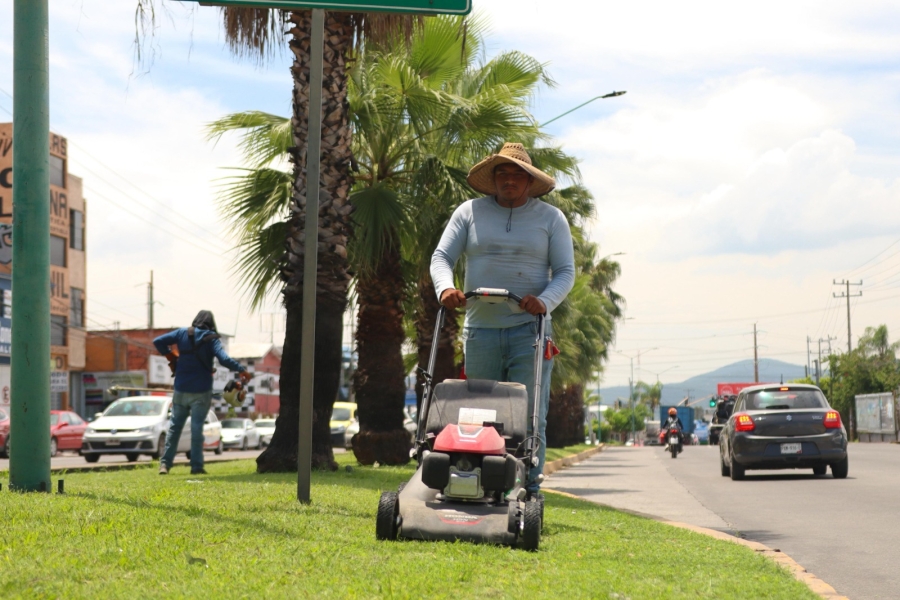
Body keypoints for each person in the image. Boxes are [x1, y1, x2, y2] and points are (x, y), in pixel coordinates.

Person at [430, 142, 575, 494]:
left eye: (517, 175)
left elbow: (565, 272)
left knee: (528, 413)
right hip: (481, 331)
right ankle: (480, 481)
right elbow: (441, 258)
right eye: (503, 173)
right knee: (480, 412)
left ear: (529, 181)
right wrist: (445, 289)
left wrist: (544, 301)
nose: (510, 180)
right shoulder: (469, 212)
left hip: (531, 332)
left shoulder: (550, 218)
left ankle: (529, 488)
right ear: (493, 179)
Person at [153, 310, 251, 475]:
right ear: (211, 324)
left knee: (174, 428)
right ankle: (196, 466)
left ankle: (165, 465)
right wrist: (241, 369)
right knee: (197, 429)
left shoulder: (182, 333)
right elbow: (223, 359)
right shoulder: (211, 338)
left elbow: (158, 341)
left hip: (181, 389)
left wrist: (170, 355)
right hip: (201, 390)